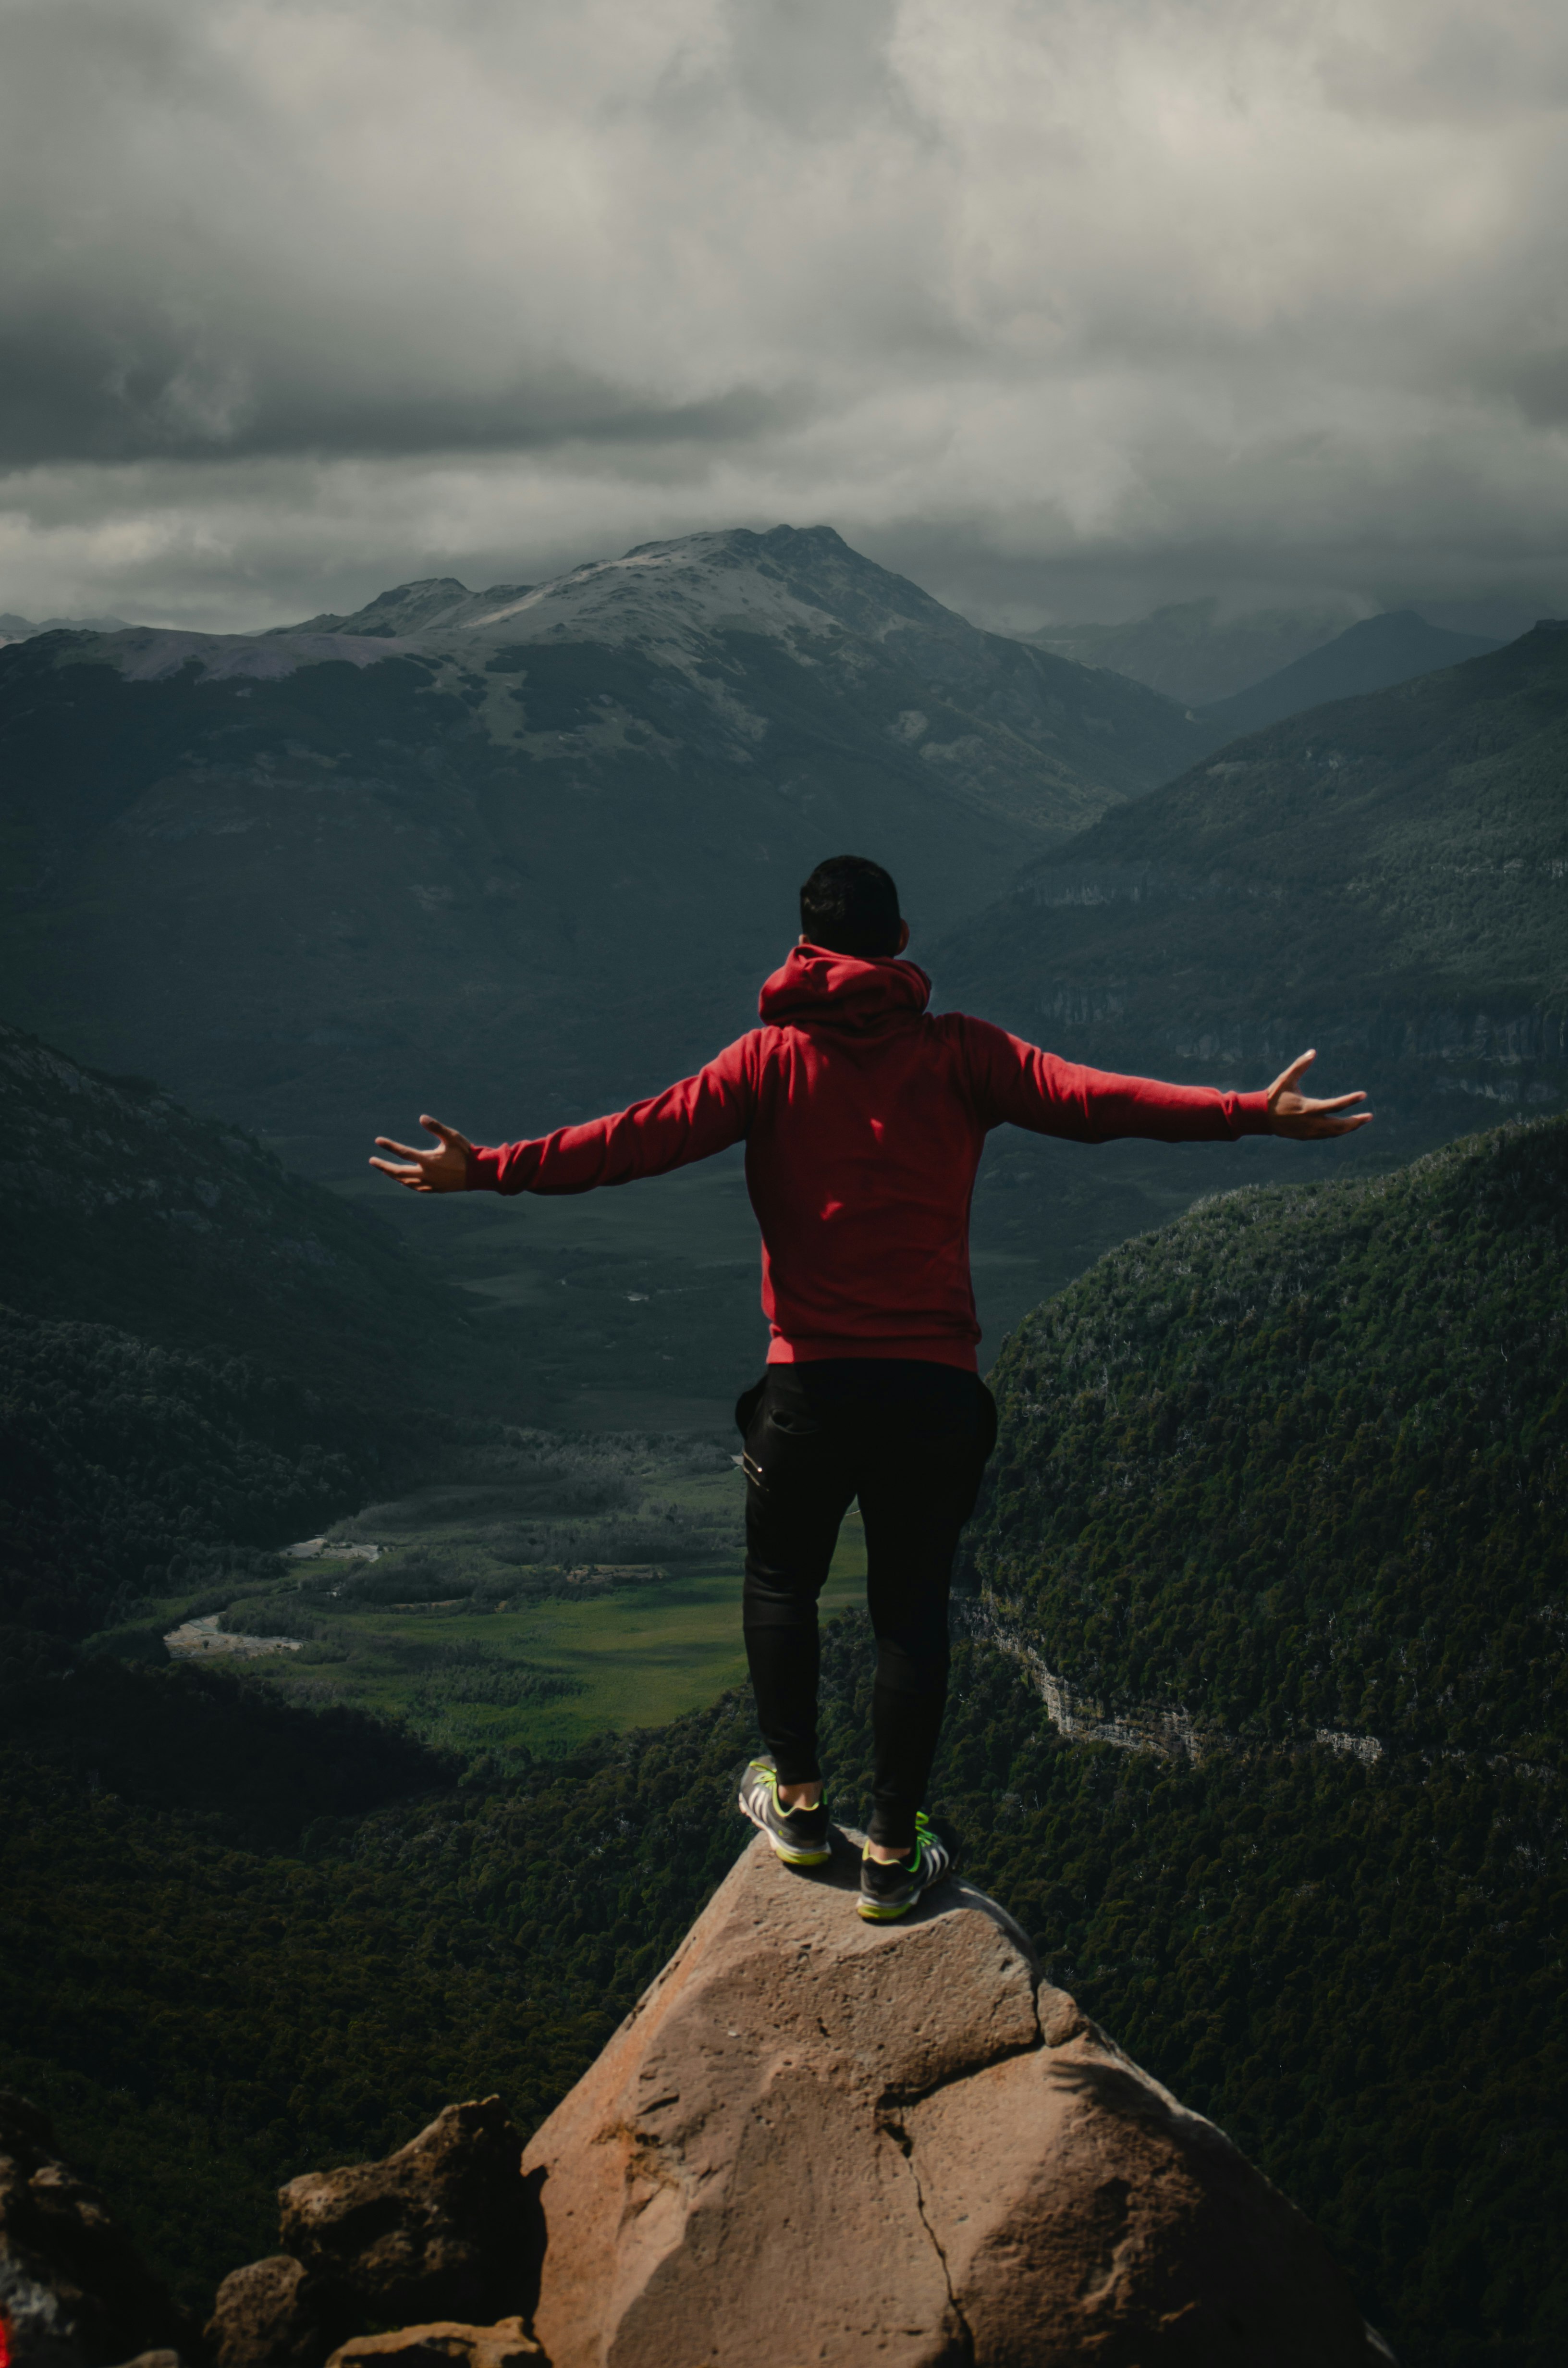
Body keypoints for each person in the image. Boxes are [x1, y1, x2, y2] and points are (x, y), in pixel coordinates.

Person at [371, 854, 1370, 1921]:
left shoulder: (765, 1062)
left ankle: (798, 1807)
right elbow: (1094, 1100)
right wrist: (1246, 1112)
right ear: (901, 941)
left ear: (803, 949)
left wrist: (489, 1168)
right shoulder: (963, 1052)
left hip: (809, 1386)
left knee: (779, 1584)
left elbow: (631, 1141)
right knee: (910, 1612)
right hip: (933, 1393)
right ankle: (894, 1856)